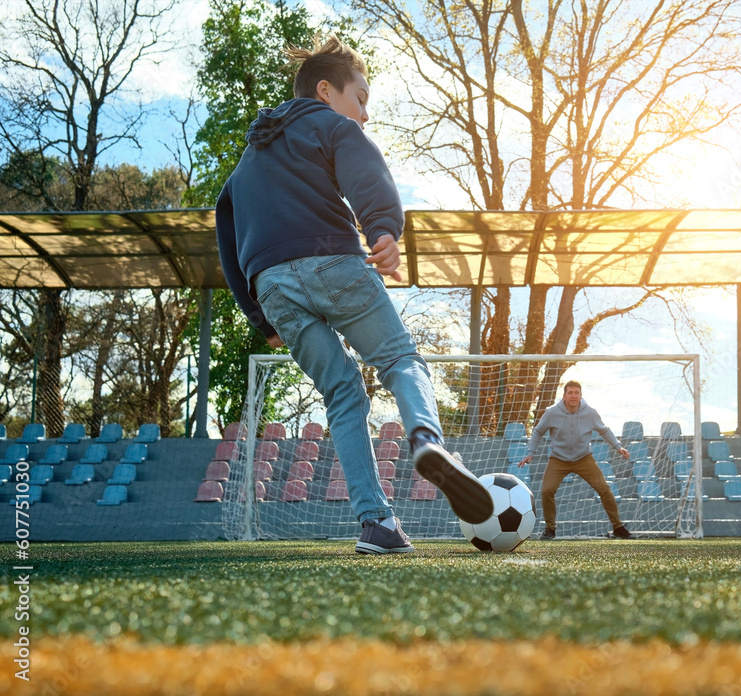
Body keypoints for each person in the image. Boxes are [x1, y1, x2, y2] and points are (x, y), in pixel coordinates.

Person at [215, 34, 492, 554]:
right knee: (400, 358)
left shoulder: (247, 161)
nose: (362, 115)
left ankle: (377, 525)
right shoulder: (333, 125)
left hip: (272, 287)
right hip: (332, 264)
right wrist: (383, 227)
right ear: (325, 90)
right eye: (360, 98)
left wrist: (259, 316)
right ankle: (428, 443)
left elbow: (226, 231)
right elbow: (365, 170)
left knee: (342, 392)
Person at [518, 381, 633, 539]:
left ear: (580, 395)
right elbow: (538, 431)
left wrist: (618, 447)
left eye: (576, 393)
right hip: (558, 459)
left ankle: (618, 527)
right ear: (564, 396)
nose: (573, 396)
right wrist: (531, 452)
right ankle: (550, 529)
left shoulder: (590, 413)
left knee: (604, 489)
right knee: (547, 490)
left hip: (583, 458)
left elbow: (604, 430)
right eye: (570, 393)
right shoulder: (552, 412)